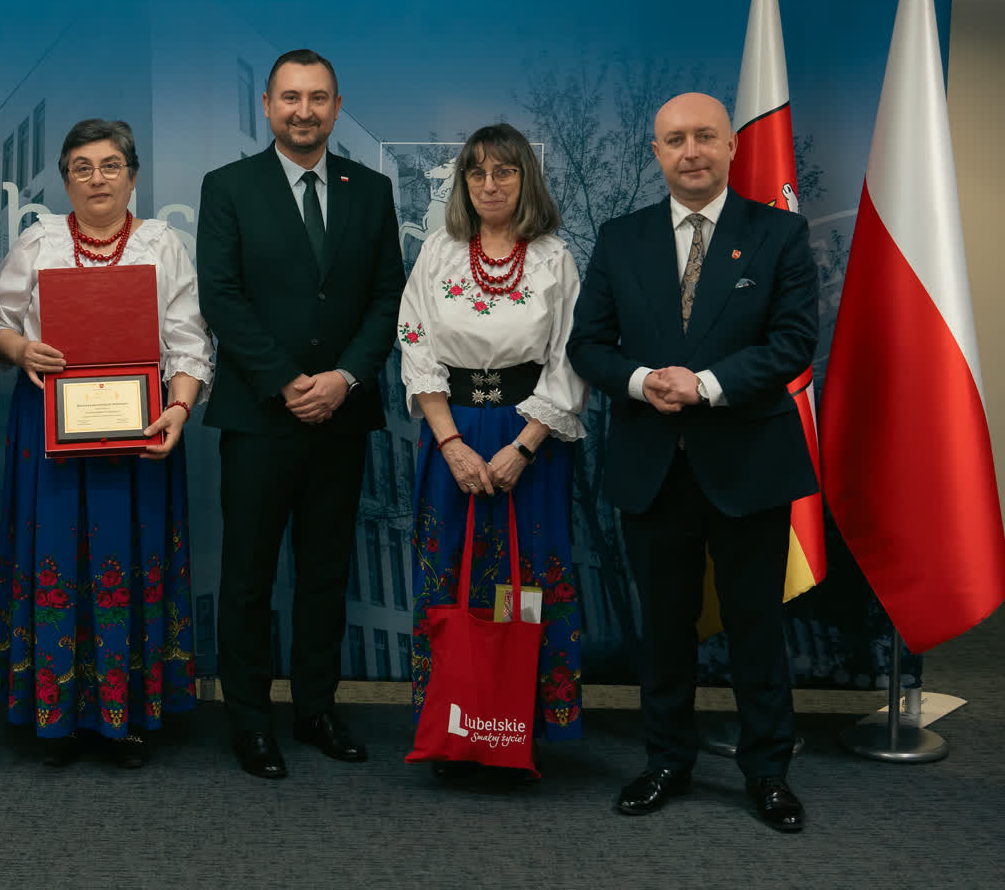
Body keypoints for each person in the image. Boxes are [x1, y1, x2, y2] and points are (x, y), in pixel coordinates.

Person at [566, 92, 818, 832]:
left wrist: (703, 385)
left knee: (755, 626)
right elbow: (587, 344)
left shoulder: (779, 233)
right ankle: (666, 761)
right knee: (665, 628)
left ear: (732, 145)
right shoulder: (620, 238)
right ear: (656, 152)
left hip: (749, 464)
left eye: (705, 136)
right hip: (652, 465)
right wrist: (643, 381)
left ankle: (768, 772)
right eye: (675, 139)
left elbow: (793, 342)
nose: (691, 151)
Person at [197, 49, 405, 779]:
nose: (304, 111)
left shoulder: (371, 190)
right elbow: (221, 296)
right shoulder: (228, 187)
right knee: (248, 579)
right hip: (260, 414)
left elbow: (388, 296)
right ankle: (250, 722)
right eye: (290, 97)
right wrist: (287, 381)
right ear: (267, 105)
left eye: (318, 98)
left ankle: (317, 709)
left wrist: (343, 378)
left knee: (325, 573)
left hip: (341, 416)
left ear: (337, 107)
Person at [0, 118, 213, 769]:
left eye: (110, 166)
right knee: (56, 560)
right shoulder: (38, 241)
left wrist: (179, 408)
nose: (97, 179)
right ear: (65, 180)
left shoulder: (161, 243)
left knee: (126, 559)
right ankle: (55, 715)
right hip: (48, 428)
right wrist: (20, 348)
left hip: (138, 430)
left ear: (133, 176)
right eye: (82, 168)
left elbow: (189, 341)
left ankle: (125, 717)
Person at [396, 124, 587, 774]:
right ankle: (452, 721)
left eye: (504, 171)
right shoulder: (439, 253)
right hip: (451, 433)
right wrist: (450, 442)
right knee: (449, 571)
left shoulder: (554, 259)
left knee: (524, 579)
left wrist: (524, 448)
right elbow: (415, 342)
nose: (490, 184)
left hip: (530, 437)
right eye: (476, 172)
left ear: (526, 178)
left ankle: (518, 723)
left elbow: (570, 358)